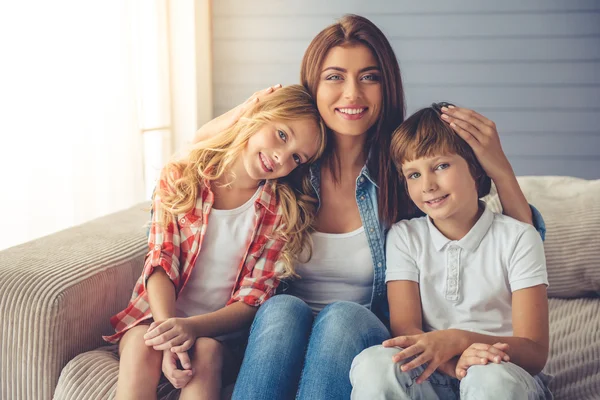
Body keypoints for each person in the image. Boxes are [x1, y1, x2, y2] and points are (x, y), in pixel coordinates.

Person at [197, 15, 546, 400]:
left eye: (369, 77)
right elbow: (193, 181)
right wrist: (244, 115)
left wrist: (498, 168)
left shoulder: (403, 174)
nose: (352, 94)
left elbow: (513, 238)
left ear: (387, 86)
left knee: (341, 316)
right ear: (312, 85)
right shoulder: (285, 167)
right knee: (280, 308)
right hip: (283, 333)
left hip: (361, 331)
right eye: (334, 77)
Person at [102, 85, 327, 400]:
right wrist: (170, 332)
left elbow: (252, 300)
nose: (281, 156)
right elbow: (160, 263)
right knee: (142, 345)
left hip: (219, 334)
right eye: (282, 135)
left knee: (206, 353)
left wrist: (192, 330)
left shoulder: (278, 213)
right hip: (159, 317)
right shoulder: (182, 178)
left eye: (296, 158)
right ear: (256, 117)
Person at [349, 103, 552, 399]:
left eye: (441, 166)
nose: (428, 185)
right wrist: (454, 362)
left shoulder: (519, 237)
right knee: (373, 364)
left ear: (476, 170)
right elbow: (406, 329)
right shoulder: (405, 237)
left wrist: (459, 340)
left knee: (489, 381)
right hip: (436, 372)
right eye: (413, 175)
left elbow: (534, 352)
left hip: (503, 374)